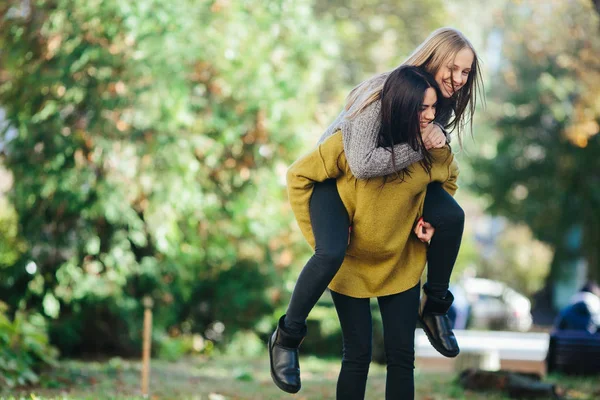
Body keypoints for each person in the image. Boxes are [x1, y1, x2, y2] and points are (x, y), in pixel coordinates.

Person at [268, 27, 482, 394]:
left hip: (388, 190)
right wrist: (424, 145)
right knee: (332, 252)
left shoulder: (435, 103)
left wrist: (423, 213)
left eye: (467, 73)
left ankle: (436, 306)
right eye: (454, 69)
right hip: (335, 181)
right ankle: (287, 337)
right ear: (435, 57)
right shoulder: (379, 94)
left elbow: (436, 172)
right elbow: (363, 164)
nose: (459, 80)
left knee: (451, 216)